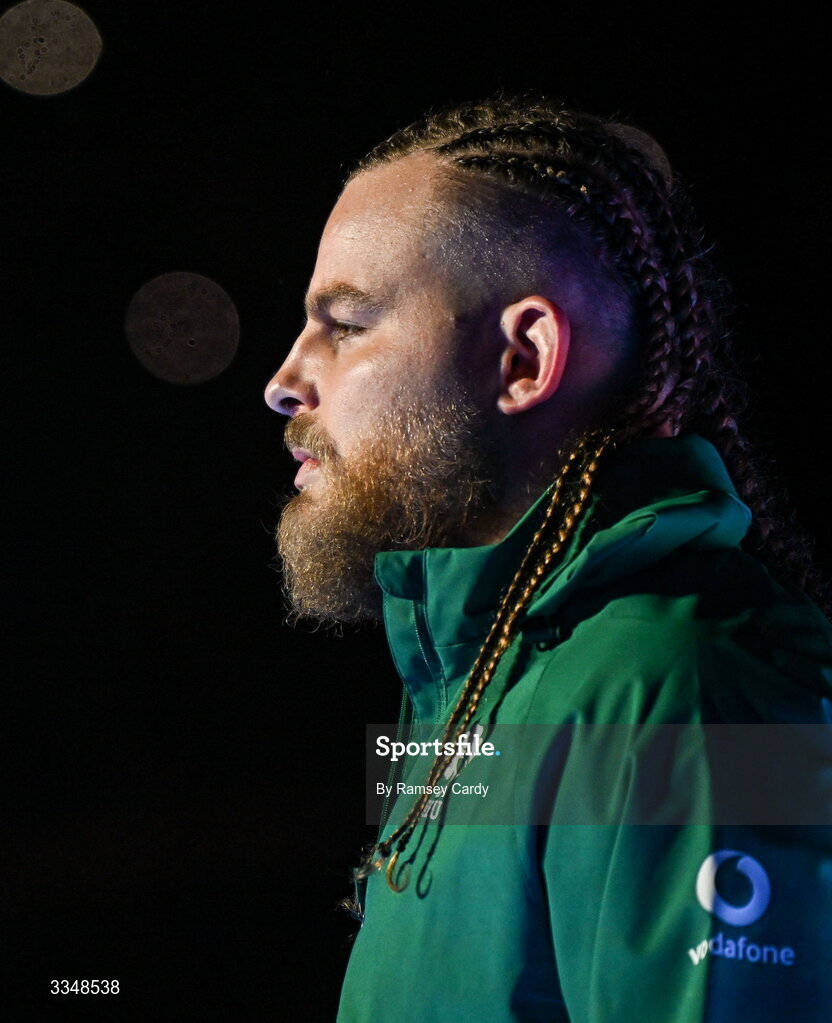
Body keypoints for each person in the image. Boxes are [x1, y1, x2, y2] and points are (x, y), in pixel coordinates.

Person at [263, 94, 832, 1022]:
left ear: (524, 359)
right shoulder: (463, 682)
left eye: (349, 323)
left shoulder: (685, 690)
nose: (286, 382)